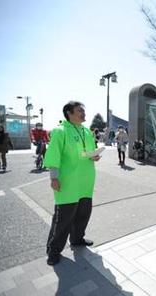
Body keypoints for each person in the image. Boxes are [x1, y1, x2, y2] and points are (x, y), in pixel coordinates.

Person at [44, 101, 100, 265]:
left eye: (83, 109)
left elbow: (88, 151)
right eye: (79, 110)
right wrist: (54, 177)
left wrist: (94, 155)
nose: (83, 113)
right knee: (63, 219)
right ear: (69, 113)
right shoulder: (60, 131)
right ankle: (53, 251)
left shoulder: (86, 131)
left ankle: (77, 239)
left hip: (86, 180)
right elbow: (54, 155)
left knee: (83, 213)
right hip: (67, 181)